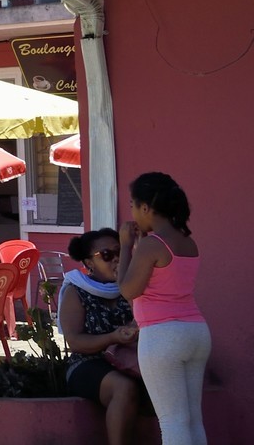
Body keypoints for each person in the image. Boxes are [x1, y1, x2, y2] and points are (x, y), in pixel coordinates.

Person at [119, 172, 209, 445]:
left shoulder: (151, 245)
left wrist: (125, 247)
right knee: (192, 419)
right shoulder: (187, 241)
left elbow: (127, 291)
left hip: (162, 337)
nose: (132, 213)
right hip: (196, 333)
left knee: (172, 422)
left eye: (134, 205)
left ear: (146, 207)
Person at [59, 228, 143, 445]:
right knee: (123, 388)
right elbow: (75, 341)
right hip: (88, 361)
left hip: (130, 359)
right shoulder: (77, 290)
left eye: (120, 253)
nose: (115, 259)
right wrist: (113, 337)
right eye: (107, 255)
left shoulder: (131, 286)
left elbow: (146, 318)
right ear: (89, 263)